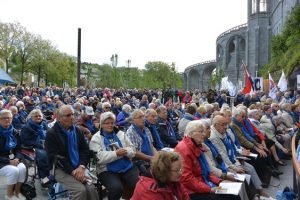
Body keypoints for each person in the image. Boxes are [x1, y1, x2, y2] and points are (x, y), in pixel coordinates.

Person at [175, 120, 240, 200]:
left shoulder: (198, 146)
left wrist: (219, 181)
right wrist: (209, 189)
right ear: (191, 133)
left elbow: (207, 171)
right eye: (201, 132)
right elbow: (186, 179)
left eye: (203, 131)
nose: (204, 134)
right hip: (191, 191)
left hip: (203, 184)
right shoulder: (183, 149)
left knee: (233, 194)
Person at [45, 105, 98, 200]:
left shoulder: (77, 130)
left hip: (79, 167)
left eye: (72, 114)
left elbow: (84, 150)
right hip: (60, 168)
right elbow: (56, 157)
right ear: (59, 118)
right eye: (68, 115)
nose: (72, 117)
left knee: (91, 188)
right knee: (80, 190)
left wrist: (81, 166)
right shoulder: (52, 134)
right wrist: (73, 172)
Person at [89, 112, 139, 200]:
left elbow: (132, 149)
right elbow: (98, 158)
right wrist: (116, 154)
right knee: (116, 188)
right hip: (106, 170)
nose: (110, 125)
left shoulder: (121, 134)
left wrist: (126, 152)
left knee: (138, 184)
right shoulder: (96, 138)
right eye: (107, 123)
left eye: (112, 123)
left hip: (126, 166)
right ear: (101, 124)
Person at [0, 109, 26, 200]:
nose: (7, 120)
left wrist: (17, 159)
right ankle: (9, 195)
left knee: (22, 168)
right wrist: (8, 161)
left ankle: (17, 192)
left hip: (13, 158)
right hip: (2, 161)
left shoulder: (14, 131)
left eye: (9, 117)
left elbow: (19, 148)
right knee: (13, 170)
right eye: (4, 118)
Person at [20, 109, 50, 187]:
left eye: (39, 115)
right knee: (43, 156)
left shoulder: (44, 124)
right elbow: (25, 141)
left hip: (46, 144)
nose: (38, 117)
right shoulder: (27, 127)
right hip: (33, 147)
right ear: (31, 117)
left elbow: (50, 133)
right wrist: (39, 144)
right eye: (36, 116)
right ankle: (44, 179)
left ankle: (55, 176)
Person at [126, 109, 157, 175]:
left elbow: (151, 146)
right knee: (159, 173)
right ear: (133, 120)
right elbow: (135, 152)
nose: (143, 119)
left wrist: (157, 156)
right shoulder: (130, 132)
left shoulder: (146, 129)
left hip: (150, 159)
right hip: (139, 162)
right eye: (140, 117)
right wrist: (151, 158)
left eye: (143, 116)